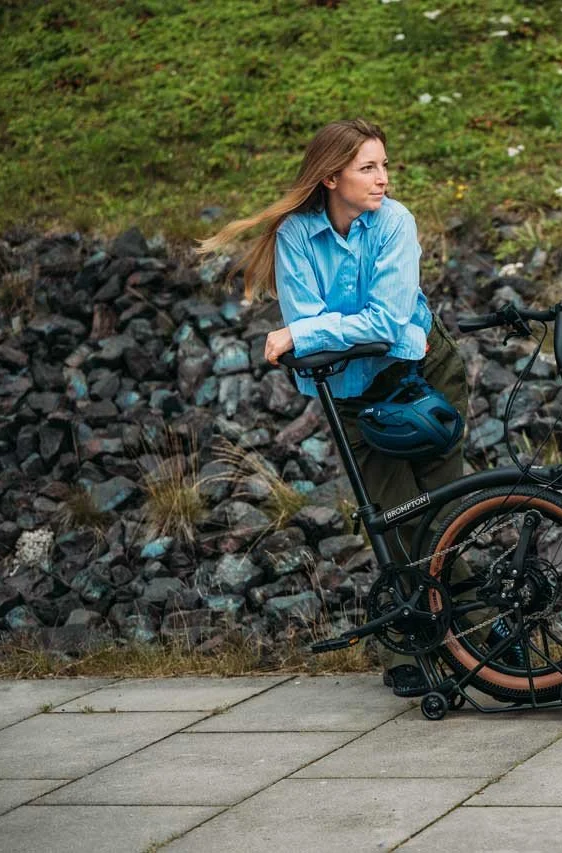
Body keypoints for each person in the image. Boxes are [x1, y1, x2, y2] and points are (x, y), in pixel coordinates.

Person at [198, 118, 467, 697]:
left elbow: (386, 323)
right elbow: (322, 322)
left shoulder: (395, 222)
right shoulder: (297, 235)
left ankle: (481, 640)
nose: (383, 179)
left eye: (385, 165)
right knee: (395, 517)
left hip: (425, 373)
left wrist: (307, 334)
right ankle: (410, 648)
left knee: (448, 514)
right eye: (369, 167)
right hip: (353, 394)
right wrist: (314, 331)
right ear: (330, 177)